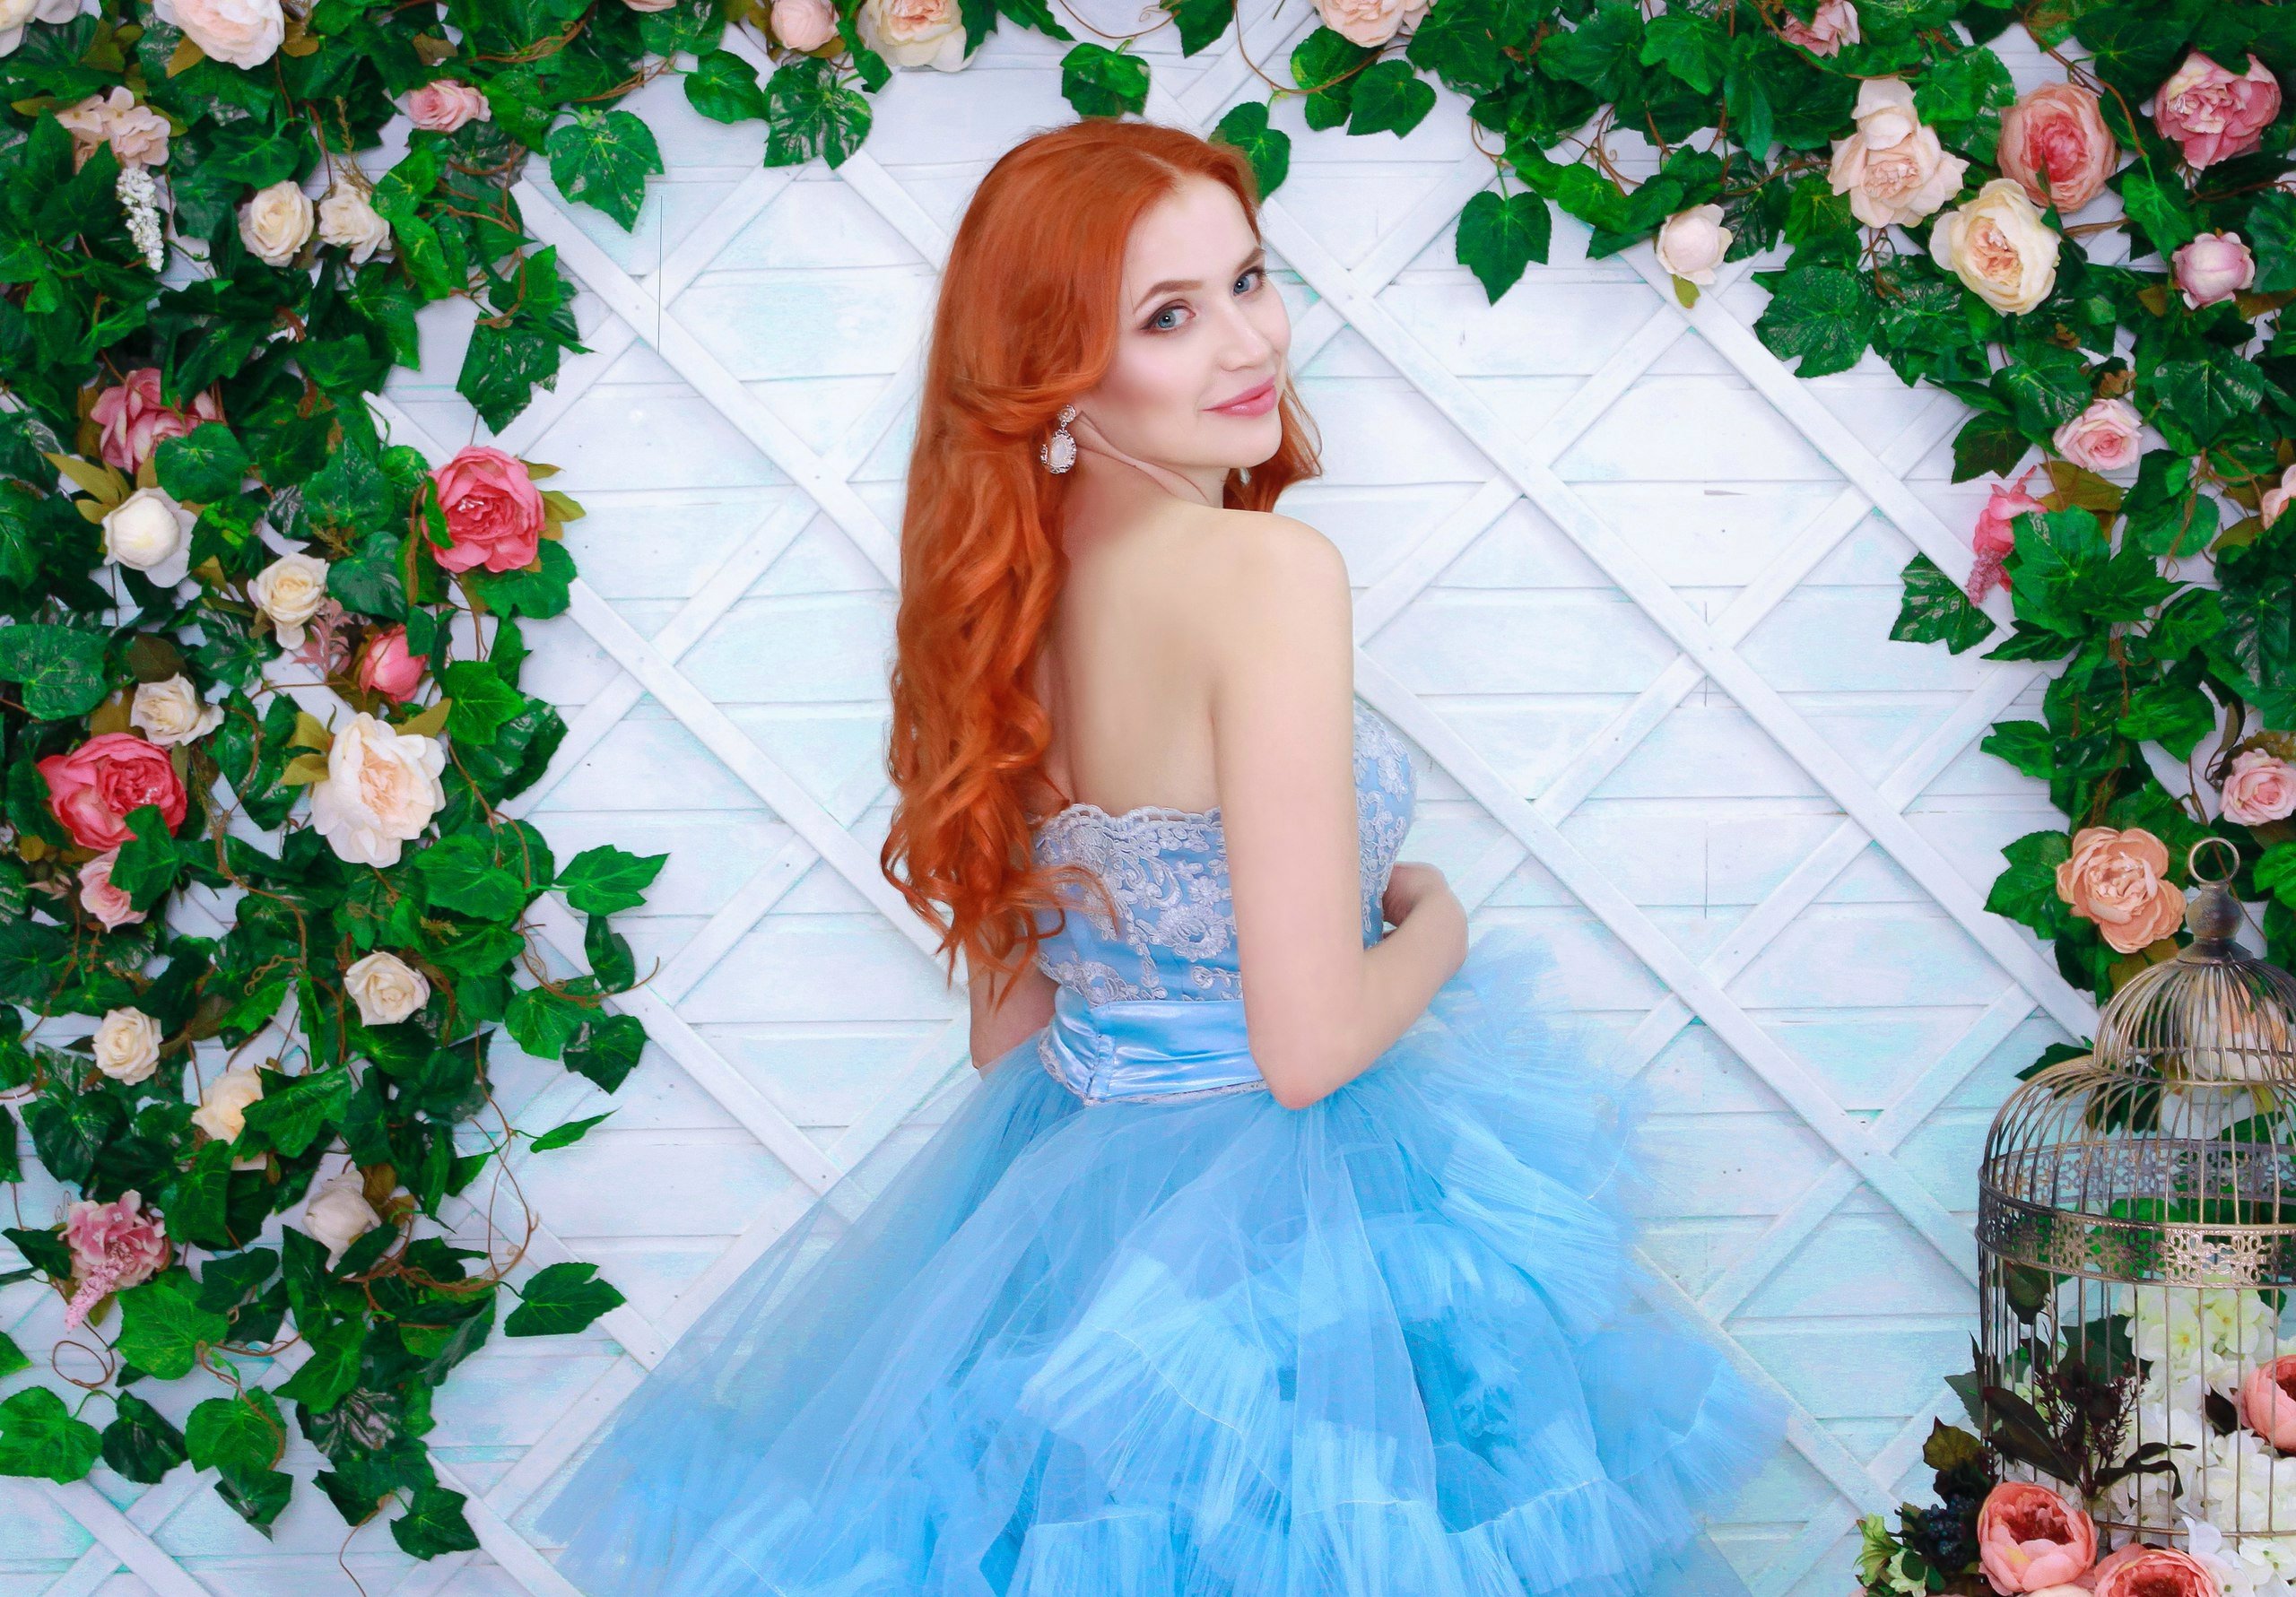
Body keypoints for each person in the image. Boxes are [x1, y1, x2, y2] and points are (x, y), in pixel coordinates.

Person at [535, 116, 1784, 1597]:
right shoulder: (1266, 572)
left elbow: (1011, 1038)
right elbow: (1306, 1051)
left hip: (1076, 1211)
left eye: (1247, 280)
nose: (1249, 342)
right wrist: (1438, 920)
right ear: (1055, 372)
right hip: (1293, 1224)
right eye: (1168, 317)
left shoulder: (1000, 598)